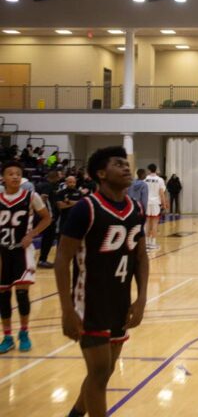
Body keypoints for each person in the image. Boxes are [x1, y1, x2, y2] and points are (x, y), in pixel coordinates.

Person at [54, 146, 149, 417]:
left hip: (119, 301)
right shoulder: (86, 208)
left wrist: (141, 299)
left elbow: (141, 258)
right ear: (101, 173)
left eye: (126, 163)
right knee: (97, 372)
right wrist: (67, 310)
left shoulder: (136, 209)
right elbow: (62, 260)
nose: (126, 167)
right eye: (118, 164)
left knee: (104, 372)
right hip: (90, 302)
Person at [0, 161, 52, 354]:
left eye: (17, 174)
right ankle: (7, 336)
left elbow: (47, 218)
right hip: (3, 251)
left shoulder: (31, 196)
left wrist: (32, 234)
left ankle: (24, 332)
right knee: (3, 296)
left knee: (22, 294)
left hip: (22, 250)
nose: (14, 176)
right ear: (3, 177)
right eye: (10, 173)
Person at [35, 170, 61, 269]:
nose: (59, 179)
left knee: (47, 238)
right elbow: (43, 198)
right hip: (49, 218)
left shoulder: (41, 184)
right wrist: (49, 215)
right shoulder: (48, 186)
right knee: (48, 239)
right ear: (54, 177)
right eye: (58, 177)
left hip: (45, 217)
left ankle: (42, 259)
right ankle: (42, 260)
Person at [144, 163, 166, 250]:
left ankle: (146, 243)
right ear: (156, 169)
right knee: (154, 224)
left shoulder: (145, 179)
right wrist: (164, 204)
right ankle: (152, 243)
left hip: (147, 203)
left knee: (147, 224)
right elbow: (161, 193)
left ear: (149, 170)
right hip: (155, 203)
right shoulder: (160, 180)